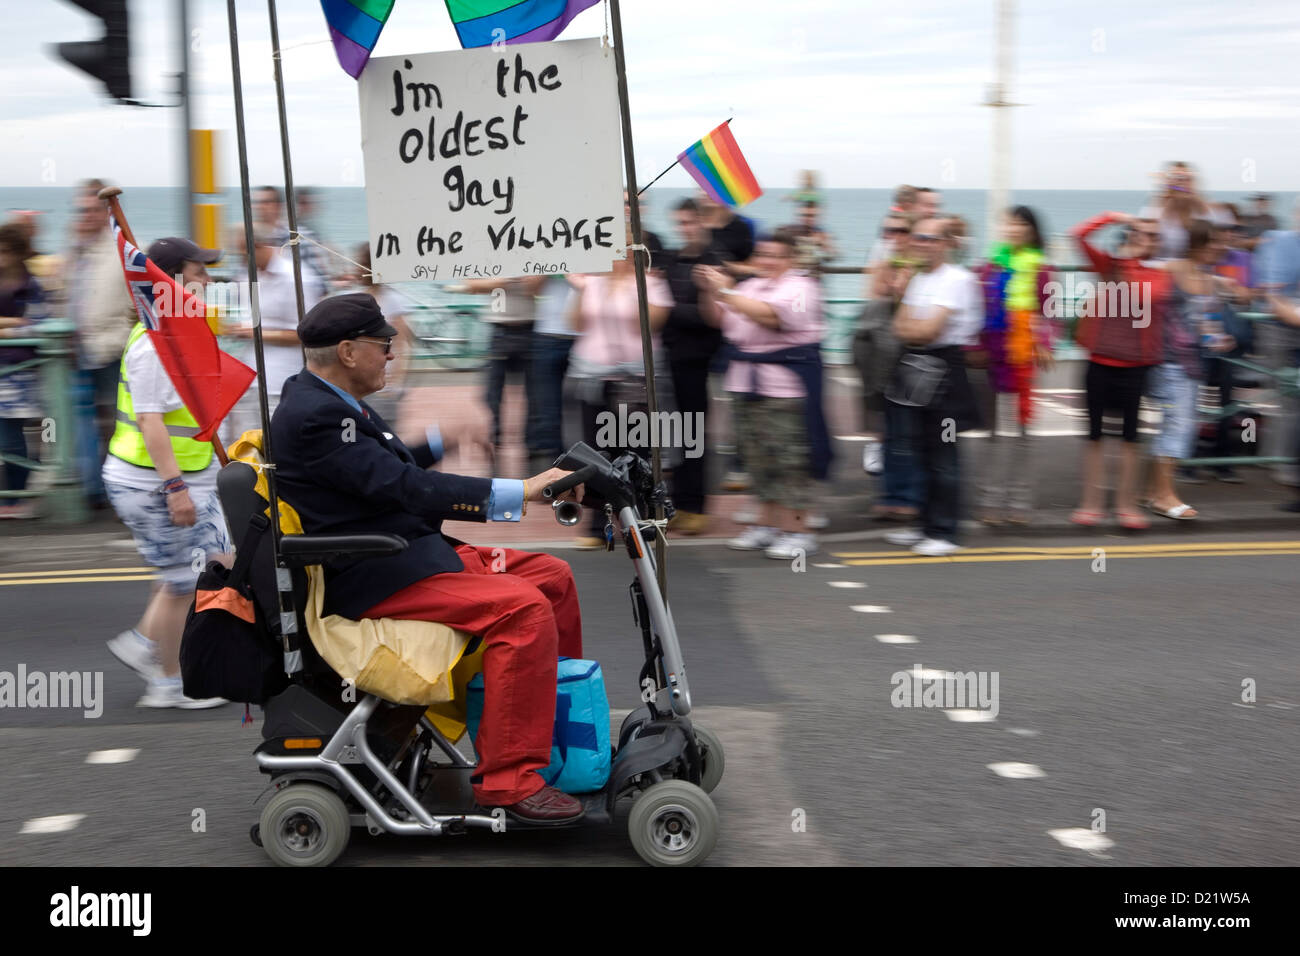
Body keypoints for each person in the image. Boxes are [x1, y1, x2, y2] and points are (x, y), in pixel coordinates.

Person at [271, 293, 586, 823]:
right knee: (523, 609)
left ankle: (558, 735)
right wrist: (525, 489)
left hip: (405, 554)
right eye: (383, 345)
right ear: (348, 352)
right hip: (375, 573)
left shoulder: (328, 397)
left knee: (551, 576)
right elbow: (404, 488)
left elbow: (378, 468)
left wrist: (443, 439)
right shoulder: (315, 416)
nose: (392, 353)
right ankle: (509, 779)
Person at [102, 238, 231, 709]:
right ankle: (168, 684)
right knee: (185, 580)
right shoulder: (155, 345)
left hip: (179, 475)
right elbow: (151, 421)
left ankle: (142, 644)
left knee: (203, 565)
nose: (209, 281)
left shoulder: (179, 331)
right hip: (152, 481)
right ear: (171, 281)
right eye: (199, 272)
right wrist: (176, 488)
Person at [698, 228, 828, 559]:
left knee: (789, 460)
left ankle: (798, 530)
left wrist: (725, 291)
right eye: (763, 255)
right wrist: (708, 290)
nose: (767, 261)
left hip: (784, 386)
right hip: (745, 380)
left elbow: (771, 317)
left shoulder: (802, 287)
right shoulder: (750, 286)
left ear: (792, 258)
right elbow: (717, 319)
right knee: (757, 459)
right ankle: (767, 524)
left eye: (775, 255)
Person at [564, 232, 674, 548]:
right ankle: (599, 522)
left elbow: (652, 322)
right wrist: (582, 290)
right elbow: (575, 323)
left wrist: (634, 283)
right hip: (593, 377)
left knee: (635, 452)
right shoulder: (592, 282)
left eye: (625, 248)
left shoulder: (651, 283)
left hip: (634, 379)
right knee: (597, 453)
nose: (618, 254)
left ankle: (638, 520)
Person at [883, 217, 983, 556]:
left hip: (947, 373)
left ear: (945, 242)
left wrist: (914, 327)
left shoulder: (957, 280)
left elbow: (928, 332)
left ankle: (945, 530)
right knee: (921, 450)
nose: (922, 243)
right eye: (918, 237)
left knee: (945, 454)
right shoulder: (917, 278)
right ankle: (925, 524)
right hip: (917, 367)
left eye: (930, 238)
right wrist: (914, 326)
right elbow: (900, 327)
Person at [1069, 211, 1168, 528]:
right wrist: (1111, 217)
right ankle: (1091, 504)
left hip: (1134, 367)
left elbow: (1143, 295)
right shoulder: (1107, 266)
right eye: (1137, 233)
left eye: (1149, 236)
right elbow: (1077, 234)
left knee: (1129, 439)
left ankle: (1127, 506)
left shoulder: (1156, 276)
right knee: (1094, 437)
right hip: (1098, 361)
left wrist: (1129, 259)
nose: (1141, 238)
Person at [1143, 220, 1238, 520]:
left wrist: (1220, 340)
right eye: (1214, 242)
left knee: (1177, 426)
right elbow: (1142, 290)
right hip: (1168, 362)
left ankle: (1153, 492)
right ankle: (1164, 496)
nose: (1220, 247)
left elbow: (1205, 324)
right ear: (1197, 243)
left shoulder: (1208, 280)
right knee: (1176, 426)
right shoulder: (1171, 269)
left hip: (1192, 365)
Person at [973, 206, 1055, 524]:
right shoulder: (989, 267)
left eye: (1021, 224)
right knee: (993, 432)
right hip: (994, 356)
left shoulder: (1042, 269)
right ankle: (989, 501)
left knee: (1023, 431)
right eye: (1010, 222)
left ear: (1032, 231)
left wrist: (1045, 343)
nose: (1014, 228)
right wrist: (977, 345)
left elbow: (1049, 312)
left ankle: (1019, 501)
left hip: (1024, 358)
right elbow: (978, 308)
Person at [66, 180, 136, 508]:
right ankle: (93, 488)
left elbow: (138, 296)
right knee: (84, 419)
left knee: (116, 423)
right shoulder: (76, 248)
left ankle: (116, 488)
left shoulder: (120, 248)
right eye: (82, 211)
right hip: (78, 350)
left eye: (94, 210)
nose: (87, 217)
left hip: (113, 347)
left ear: (106, 212)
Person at [662, 198, 724, 535]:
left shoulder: (712, 262)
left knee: (693, 434)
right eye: (680, 223)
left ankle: (694, 505)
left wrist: (673, 310)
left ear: (703, 222)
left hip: (694, 361)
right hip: (666, 359)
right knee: (668, 433)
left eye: (690, 222)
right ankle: (673, 502)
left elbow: (710, 319)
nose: (685, 228)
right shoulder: (671, 259)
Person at [226, 226, 324, 438]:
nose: (241, 261)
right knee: (245, 449)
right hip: (248, 380)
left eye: (243, 254)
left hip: (280, 383)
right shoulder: (246, 276)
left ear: (258, 247)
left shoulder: (296, 277)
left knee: (278, 446)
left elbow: (308, 333)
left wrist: (256, 334)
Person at [856, 214, 922, 519]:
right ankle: (889, 495)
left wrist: (903, 284)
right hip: (884, 356)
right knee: (889, 430)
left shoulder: (921, 268)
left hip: (912, 355)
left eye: (901, 230)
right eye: (888, 231)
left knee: (907, 432)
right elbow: (874, 297)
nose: (894, 236)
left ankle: (908, 497)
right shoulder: (886, 263)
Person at [450, 275, 544, 473]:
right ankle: (495, 445)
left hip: (529, 327)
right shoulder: (491, 257)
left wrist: (517, 280)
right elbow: (471, 284)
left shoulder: (532, 254)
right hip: (499, 328)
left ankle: (533, 450)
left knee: (535, 396)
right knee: (492, 395)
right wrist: (506, 280)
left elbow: (537, 286)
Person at [0, 223, 49, 518]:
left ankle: (18, 497)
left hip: (20, 369)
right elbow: (25, 323)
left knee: (12, 435)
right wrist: (12, 323)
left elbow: (39, 324)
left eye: (6, 251)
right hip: (10, 366)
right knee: (9, 435)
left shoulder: (31, 285)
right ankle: (15, 496)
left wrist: (6, 327)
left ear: (18, 254)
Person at [349, 243, 414, 425]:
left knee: (386, 435)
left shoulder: (392, 300)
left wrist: (396, 381)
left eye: (359, 263)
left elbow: (403, 343)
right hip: (361, 384)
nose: (355, 269)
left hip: (384, 385)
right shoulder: (359, 297)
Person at [790, 200, 837, 276]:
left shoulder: (822, 233)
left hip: (813, 278)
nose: (808, 219)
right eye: (805, 215)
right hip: (793, 278)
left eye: (812, 216)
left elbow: (833, 256)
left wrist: (823, 244)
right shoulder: (790, 232)